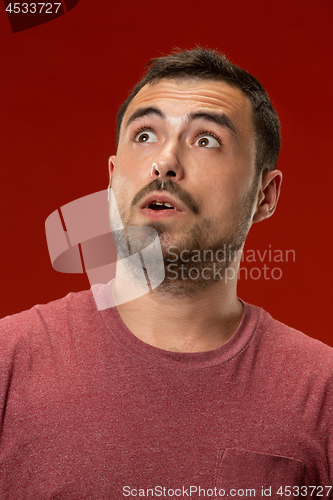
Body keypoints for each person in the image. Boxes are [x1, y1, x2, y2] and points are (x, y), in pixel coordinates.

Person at [0, 47, 332, 499]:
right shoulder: (8, 363)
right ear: (114, 177)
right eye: (144, 135)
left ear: (265, 195)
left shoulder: (321, 392)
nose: (165, 162)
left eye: (206, 139)